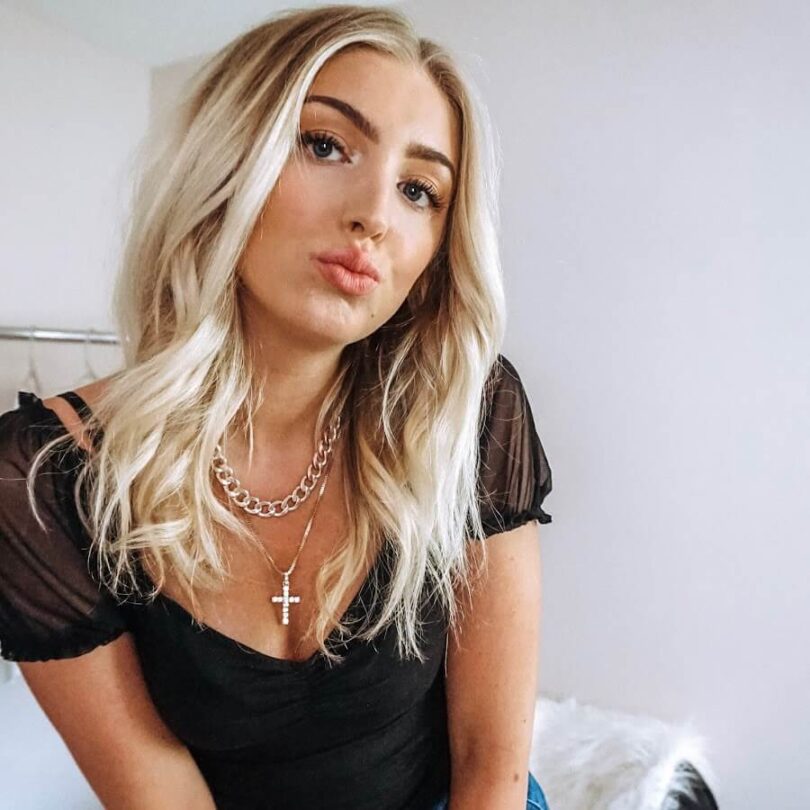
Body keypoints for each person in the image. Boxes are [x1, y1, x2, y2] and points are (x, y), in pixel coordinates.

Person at [0, 5, 553, 809]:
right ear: (227, 162)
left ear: (436, 255)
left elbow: (491, 762)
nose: (375, 215)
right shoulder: (38, 482)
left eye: (419, 190)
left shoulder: (469, 409)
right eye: (324, 145)